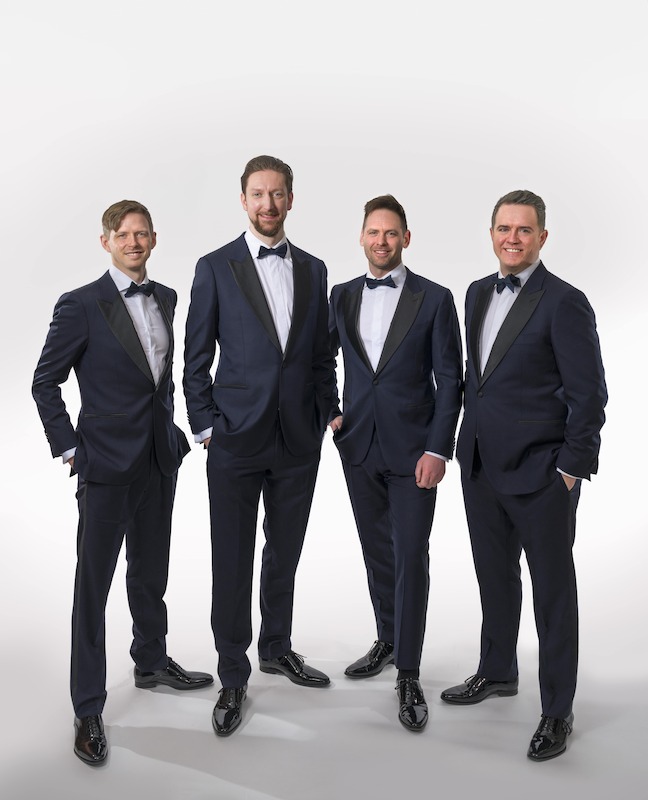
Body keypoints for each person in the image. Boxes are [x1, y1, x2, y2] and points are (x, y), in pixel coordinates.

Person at [32, 200, 213, 766]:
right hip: (105, 464)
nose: (134, 242)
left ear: (153, 239)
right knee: (93, 587)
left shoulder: (167, 298)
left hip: (159, 457)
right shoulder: (81, 304)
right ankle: (88, 706)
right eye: (123, 234)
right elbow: (45, 382)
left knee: (151, 571)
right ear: (106, 241)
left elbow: (161, 378)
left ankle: (151, 661)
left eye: (142, 234)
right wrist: (70, 447)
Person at [441, 190, 607, 760]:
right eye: (504, 228)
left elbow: (590, 395)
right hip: (481, 465)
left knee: (552, 596)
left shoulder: (565, 302)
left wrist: (571, 469)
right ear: (492, 234)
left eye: (524, 229)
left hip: (543, 474)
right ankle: (497, 670)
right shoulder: (476, 293)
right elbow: (478, 380)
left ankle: (557, 710)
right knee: (494, 579)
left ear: (542, 237)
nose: (512, 238)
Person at [183, 155, 335, 737]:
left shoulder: (315, 269)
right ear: (243, 200)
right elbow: (195, 360)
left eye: (277, 194)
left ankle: (276, 646)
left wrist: (324, 413)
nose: (268, 204)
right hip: (235, 439)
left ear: (291, 199)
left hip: (298, 438)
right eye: (258, 194)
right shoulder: (214, 267)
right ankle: (232, 674)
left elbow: (321, 355)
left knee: (285, 550)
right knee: (232, 557)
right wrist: (206, 427)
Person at [328, 195, 463, 731]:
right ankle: (387, 639)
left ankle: (408, 672)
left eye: (390, 233)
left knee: (410, 555)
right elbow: (320, 360)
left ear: (406, 238)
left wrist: (438, 448)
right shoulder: (341, 295)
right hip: (359, 446)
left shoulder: (435, 298)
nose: (381, 241)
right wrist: (331, 412)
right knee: (377, 552)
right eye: (373, 232)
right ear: (361, 237)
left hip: (414, 453)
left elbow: (450, 380)